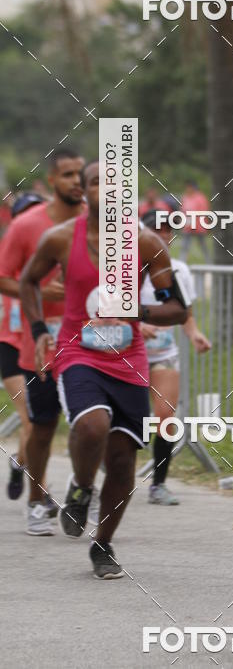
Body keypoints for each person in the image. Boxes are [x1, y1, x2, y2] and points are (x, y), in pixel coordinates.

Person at [19, 161, 189, 579]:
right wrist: (40, 329)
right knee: (92, 426)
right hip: (79, 355)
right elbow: (27, 281)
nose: (108, 190)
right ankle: (80, 488)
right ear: (84, 191)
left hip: (130, 361)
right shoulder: (60, 238)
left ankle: (104, 544)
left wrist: (138, 309)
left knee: (122, 462)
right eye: (97, 182)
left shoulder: (147, 243)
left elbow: (178, 308)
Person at [0, 150, 85, 535]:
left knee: (94, 422)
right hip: (41, 339)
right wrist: (36, 288)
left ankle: (81, 489)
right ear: (51, 179)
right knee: (42, 426)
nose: (77, 181)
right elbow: (2, 278)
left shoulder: (98, 221)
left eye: (81, 174)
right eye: (67, 174)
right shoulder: (26, 226)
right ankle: (36, 501)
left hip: (90, 337)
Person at [140, 210, 212, 504]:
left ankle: (158, 484)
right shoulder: (127, 270)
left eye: (168, 230)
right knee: (123, 420)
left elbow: (185, 313)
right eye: (156, 229)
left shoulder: (180, 269)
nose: (164, 235)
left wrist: (194, 333)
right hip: (125, 354)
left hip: (164, 354)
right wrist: (137, 325)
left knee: (166, 417)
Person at [1, 192, 45, 499]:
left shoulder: (48, 262)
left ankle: (19, 463)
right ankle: (40, 497)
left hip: (39, 345)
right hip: (9, 346)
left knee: (38, 421)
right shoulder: (6, 262)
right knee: (30, 418)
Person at [180, 181, 210, 262]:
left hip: (199, 226)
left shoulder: (200, 198)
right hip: (187, 227)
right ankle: (182, 262)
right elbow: (183, 210)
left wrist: (195, 223)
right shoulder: (185, 197)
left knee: (203, 246)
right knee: (185, 246)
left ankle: (209, 263)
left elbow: (203, 212)